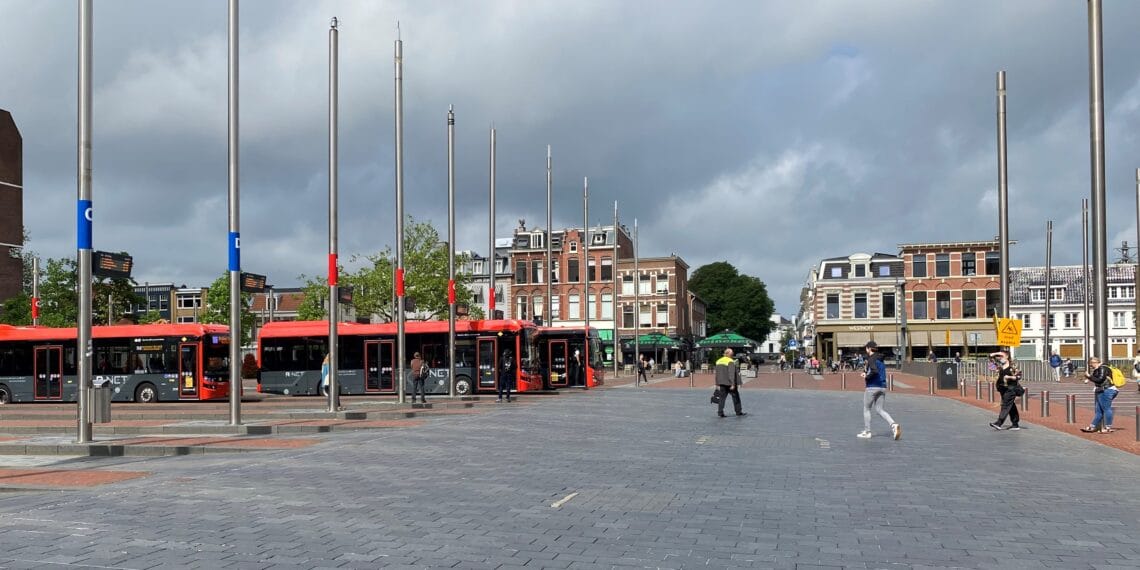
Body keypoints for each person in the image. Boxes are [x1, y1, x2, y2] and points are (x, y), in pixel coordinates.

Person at [858, 341, 900, 439]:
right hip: (883, 387)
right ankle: (893, 425)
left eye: (866, 348)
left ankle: (867, 432)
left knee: (866, 408)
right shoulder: (880, 358)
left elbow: (874, 371)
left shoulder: (871, 359)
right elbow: (877, 370)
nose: (866, 350)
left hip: (872, 386)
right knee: (880, 409)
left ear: (869, 348)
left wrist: (866, 376)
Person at [1081, 357, 1117, 433]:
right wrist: (1089, 377)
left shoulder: (1102, 368)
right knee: (1099, 410)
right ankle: (1092, 426)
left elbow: (1100, 379)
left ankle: (1108, 427)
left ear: (1094, 363)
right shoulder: (1098, 369)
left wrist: (1089, 376)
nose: (1091, 367)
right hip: (1102, 390)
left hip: (1107, 390)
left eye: (1091, 365)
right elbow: (1097, 379)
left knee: (1106, 408)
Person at [988, 350, 1023, 431]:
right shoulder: (1000, 365)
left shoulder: (1012, 366)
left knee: (1005, 405)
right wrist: (995, 353)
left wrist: (1010, 377)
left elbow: (1019, 376)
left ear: (1007, 357)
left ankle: (999, 423)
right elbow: (990, 358)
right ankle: (1015, 424)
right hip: (1002, 389)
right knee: (1011, 406)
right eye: (999, 356)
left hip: (1011, 389)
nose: (1000, 358)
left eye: (1001, 356)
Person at [713, 348, 745, 418]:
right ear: (729, 354)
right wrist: (733, 384)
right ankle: (738, 411)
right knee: (736, 397)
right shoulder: (730, 361)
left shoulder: (718, 361)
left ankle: (720, 412)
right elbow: (731, 373)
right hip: (729, 383)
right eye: (732, 353)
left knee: (722, 398)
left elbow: (717, 374)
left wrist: (717, 383)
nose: (732, 355)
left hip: (721, 383)